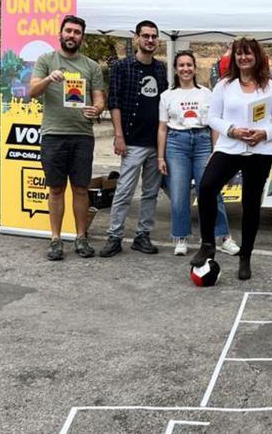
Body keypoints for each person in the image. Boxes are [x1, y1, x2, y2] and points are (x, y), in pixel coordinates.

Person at [192, 37, 272, 281]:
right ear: (233, 58)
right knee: (206, 186)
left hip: (259, 151)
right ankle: (208, 244)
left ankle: (246, 257)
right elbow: (213, 117)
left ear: (257, 57)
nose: (243, 58)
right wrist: (232, 129)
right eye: (239, 54)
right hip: (229, 147)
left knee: (251, 204)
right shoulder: (224, 85)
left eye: (248, 54)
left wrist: (264, 133)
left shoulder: (270, 86)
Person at [28, 15, 107, 260]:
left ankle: (81, 238)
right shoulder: (46, 60)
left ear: (82, 37)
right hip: (53, 135)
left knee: (81, 189)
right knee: (56, 189)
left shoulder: (91, 66)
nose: (72, 35)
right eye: (68, 31)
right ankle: (55, 239)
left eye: (77, 32)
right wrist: (49, 78)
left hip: (82, 135)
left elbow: (99, 99)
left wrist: (97, 109)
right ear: (60, 34)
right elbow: (31, 92)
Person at [156, 50, 240, 257]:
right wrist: (160, 157)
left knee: (210, 190)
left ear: (195, 68)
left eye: (189, 65)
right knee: (179, 193)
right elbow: (162, 128)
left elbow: (213, 125)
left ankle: (223, 236)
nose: (185, 69)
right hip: (176, 144)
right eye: (181, 65)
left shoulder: (206, 93)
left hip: (203, 142)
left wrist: (216, 151)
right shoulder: (167, 96)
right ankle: (181, 237)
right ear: (175, 69)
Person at [100, 19, 169, 257]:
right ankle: (114, 236)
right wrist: (119, 135)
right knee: (124, 190)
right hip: (131, 141)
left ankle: (143, 236)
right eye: (146, 36)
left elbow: (165, 105)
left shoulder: (160, 69)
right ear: (136, 38)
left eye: (153, 36)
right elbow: (115, 102)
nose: (150, 40)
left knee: (151, 192)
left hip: (155, 143)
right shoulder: (122, 67)